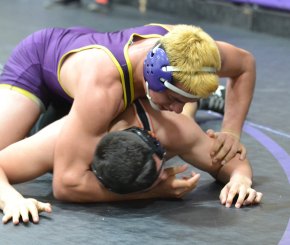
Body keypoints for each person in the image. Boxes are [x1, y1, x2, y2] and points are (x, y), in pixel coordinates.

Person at [0, 24, 255, 200]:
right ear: (153, 76)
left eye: (185, 101)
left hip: (89, 70)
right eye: (175, 99)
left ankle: (197, 100)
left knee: (173, 124)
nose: (177, 109)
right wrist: (154, 192)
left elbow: (245, 65)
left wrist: (231, 132)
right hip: (39, 64)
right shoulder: (103, 91)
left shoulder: (191, 51)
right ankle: (47, 116)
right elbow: (67, 184)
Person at [0, 99, 262, 225]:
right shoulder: (61, 140)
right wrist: (11, 199)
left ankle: (194, 99)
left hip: (119, 95)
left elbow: (231, 163)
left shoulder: (171, 130)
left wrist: (241, 179)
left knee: (183, 122)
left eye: (160, 170)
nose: (164, 177)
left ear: (153, 138)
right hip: (50, 91)